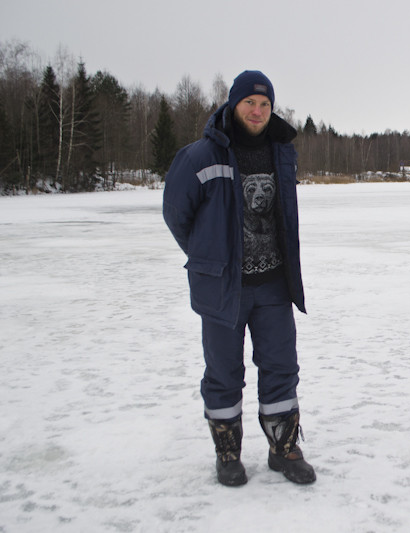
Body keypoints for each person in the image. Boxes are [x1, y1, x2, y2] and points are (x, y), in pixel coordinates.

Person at [163, 70, 315, 486]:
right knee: (224, 372)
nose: (258, 110)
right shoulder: (199, 156)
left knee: (282, 367)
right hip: (224, 289)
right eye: (250, 102)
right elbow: (177, 214)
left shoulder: (282, 152)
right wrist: (208, 257)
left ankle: (283, 449)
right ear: (233, 104)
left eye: (265, 104)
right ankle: (227, 454)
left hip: (273, 286)